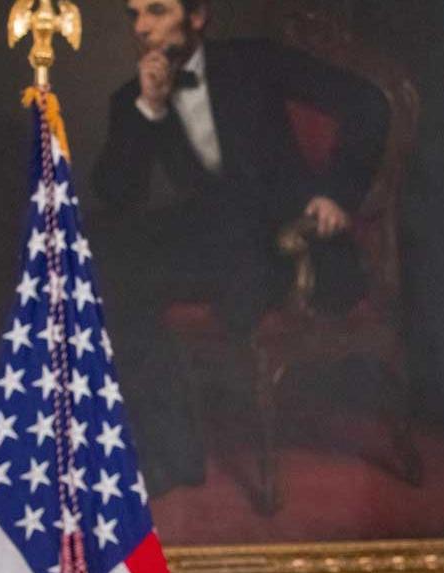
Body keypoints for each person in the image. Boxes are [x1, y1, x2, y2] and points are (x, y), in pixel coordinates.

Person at [90, 0, 389, 496]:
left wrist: (337, 192)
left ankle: (173, 450)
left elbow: (368, 103)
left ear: (198, 17)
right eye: (134, 15)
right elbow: (119, 196)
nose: (141, 27)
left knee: (162, 259)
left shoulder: (255, 60)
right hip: (221, 243)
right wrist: (150, 109)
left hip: (292, 242)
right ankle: (174, 455)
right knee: (110, 259)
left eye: (157, 11)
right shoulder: (133, 98)